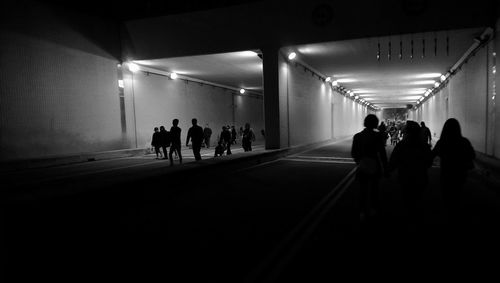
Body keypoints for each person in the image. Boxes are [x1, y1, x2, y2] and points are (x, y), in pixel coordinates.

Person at [389, 121, 433, 226]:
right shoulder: (424, 145)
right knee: (418, 198)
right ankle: (416, 220)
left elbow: (393, 161)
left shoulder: (402, 145)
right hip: (420, 177)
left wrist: (388, 171)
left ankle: (408, 220)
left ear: (406, 132)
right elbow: (429, 161)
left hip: (405, 177)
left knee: (406, 199)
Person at [432, 118, 475, 223]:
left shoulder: (442, 142)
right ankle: (456, 215)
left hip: (446, 173)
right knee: (457, 193)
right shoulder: (464, 141)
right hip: (460, 173)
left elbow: (432, 154)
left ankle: (449, 216)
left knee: (447, 195)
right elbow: (472, 155)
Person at [351, 114, 388, 220]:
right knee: (374, 189)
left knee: (363, 190)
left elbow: (354, 153)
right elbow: (382, 153)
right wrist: (385, 168)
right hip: (375, 164)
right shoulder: (377, 136)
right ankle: (373, 209)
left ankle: (362, 211)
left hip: (363, 165)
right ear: (376, 124)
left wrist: (360, 162)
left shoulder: (357, 136)